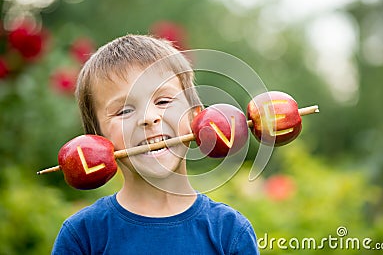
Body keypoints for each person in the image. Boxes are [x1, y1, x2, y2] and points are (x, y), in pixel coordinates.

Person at [51, 34, 259, 255]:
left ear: (195, 118)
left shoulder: (229, 232)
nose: (149, 118)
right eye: (125, 110)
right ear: (96, 139)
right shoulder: (83, 236)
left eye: (164, 101)